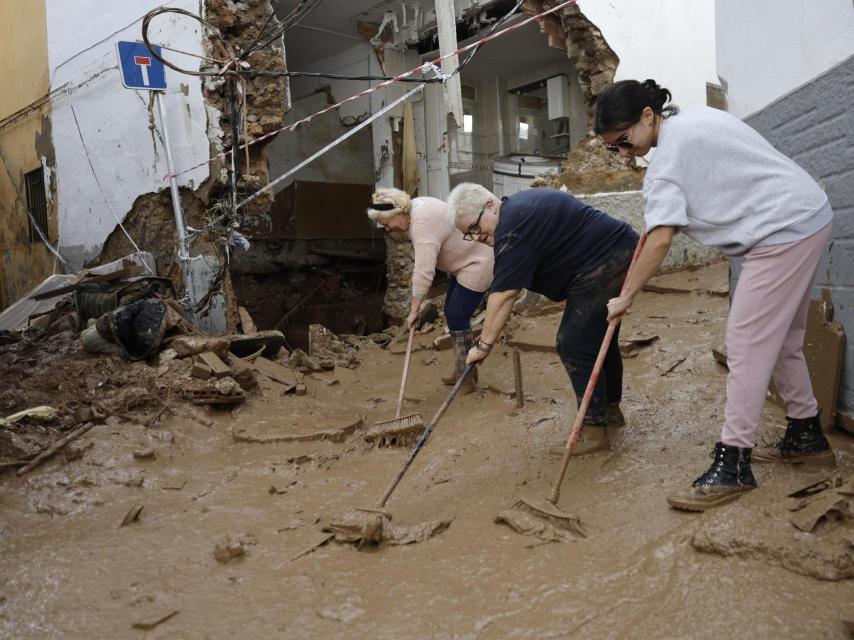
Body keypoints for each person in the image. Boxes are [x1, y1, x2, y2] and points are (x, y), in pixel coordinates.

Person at [594, 79, 835, 511]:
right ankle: (807, 436)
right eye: (616, 149)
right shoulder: (692, 119)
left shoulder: (666, 160)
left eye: (625, 142)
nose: (626, 153)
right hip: (807, 214)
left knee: (743, 346)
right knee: (782, 341)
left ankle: (734, 465)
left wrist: (625, 296)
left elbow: (661, 239)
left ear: (648, 116)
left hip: (779, 232)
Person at [447, 183, 639, 454]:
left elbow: (504, 294)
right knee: (595, 341)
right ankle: (610, 411)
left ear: (490, 206)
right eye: (468, 235)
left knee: (573, 343)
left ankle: (594, 432)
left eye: (475, 228)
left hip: (607, 259)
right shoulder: (517, 214)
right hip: (613, 253)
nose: (476, 237)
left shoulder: (513, 224)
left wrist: (483, 346)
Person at [367, 188, 494, 394]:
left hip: (477, 262)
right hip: (461, 264)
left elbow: (424, 271)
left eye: (386, 224)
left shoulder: (422, 224)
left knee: (456, 314)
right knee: (452, 312)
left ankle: (467, 375)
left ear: (398, 214)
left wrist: (414, 309)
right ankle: (463, 365)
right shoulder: (415, 207)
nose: (387, 229)